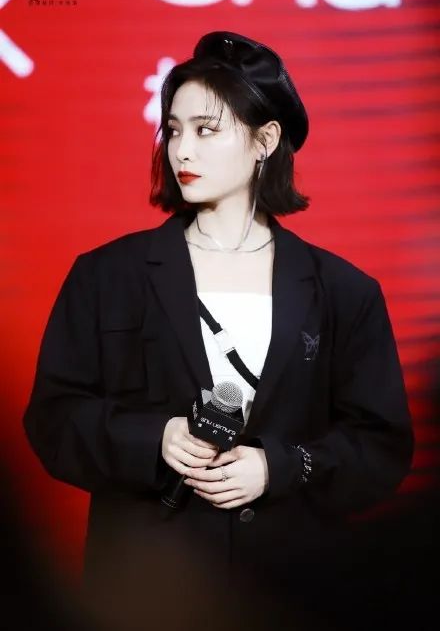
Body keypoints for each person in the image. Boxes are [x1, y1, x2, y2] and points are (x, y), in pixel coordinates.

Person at [23, 31, 414, 629]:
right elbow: (53, 419)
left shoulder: (343, 290)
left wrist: (279, 467)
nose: (183, 149)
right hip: (145, 592)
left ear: (266, 140)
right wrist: (154, 439)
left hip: (292, 592)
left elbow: (380, 447)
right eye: (174, 130)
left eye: (206, 130)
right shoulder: (107, 275)